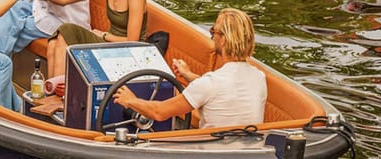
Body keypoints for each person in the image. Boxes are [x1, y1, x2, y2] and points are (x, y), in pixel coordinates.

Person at [112, 8, 266, 128]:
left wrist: (131, 101)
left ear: (224, 39)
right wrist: (188, 75)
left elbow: (158, 112)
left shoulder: (209, 83)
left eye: (214, 32)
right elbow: (223, 89)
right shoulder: (259, 78)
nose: (212, 36)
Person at [48, 0, 147, 78]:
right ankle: (50, 96)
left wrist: (104, 35)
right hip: (109, 44)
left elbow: (133, 42)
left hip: (129, 51)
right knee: (54, 42)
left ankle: (60, 95)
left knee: (67, 29)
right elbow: (64, 1)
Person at [0, 0, 90, 56]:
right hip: (46, 12)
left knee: (7, 31)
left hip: (68, 25)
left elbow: (62, 1)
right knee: (8, 12)